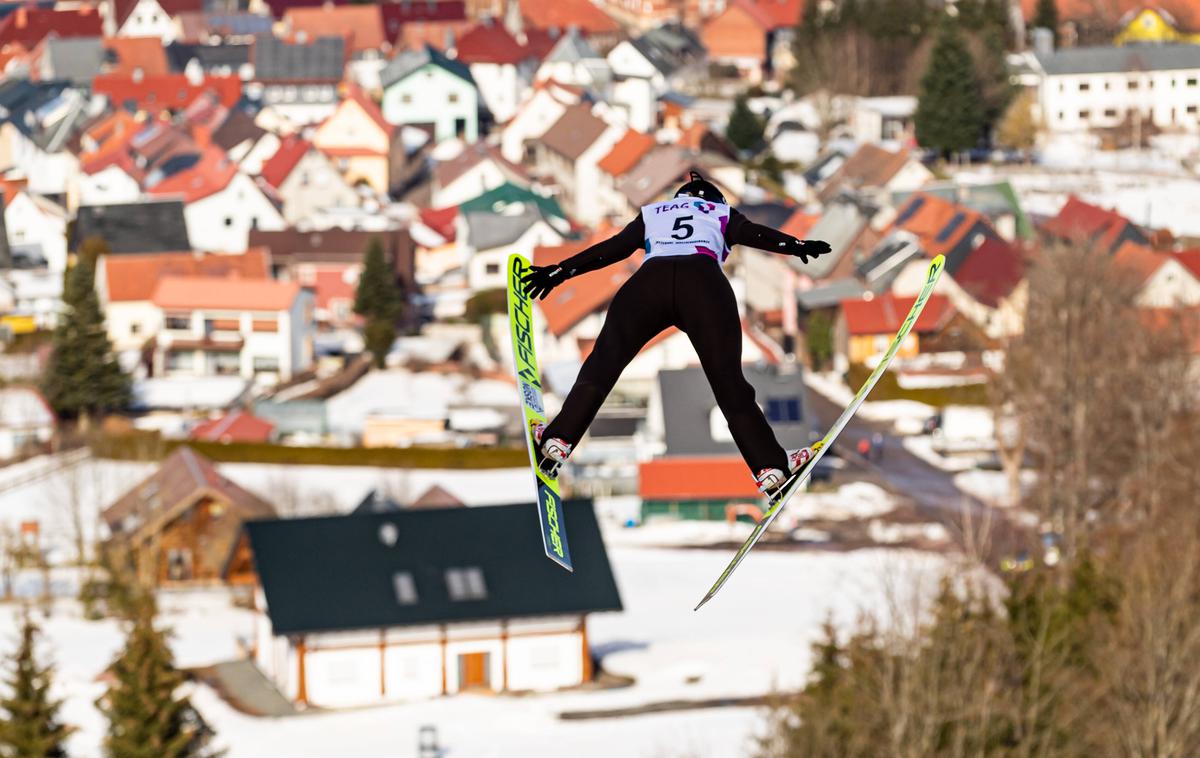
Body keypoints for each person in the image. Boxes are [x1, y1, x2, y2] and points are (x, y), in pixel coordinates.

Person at [521, 171, 832, 496]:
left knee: (603, 365)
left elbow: (613, 248)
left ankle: (558, 439)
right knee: (729, 385)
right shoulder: (720, 212)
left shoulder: (653, 213)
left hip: (647, 286)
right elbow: (755, 234)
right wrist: (795, 246)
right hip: (703, 286)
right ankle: (770, 468)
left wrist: (560, 271)